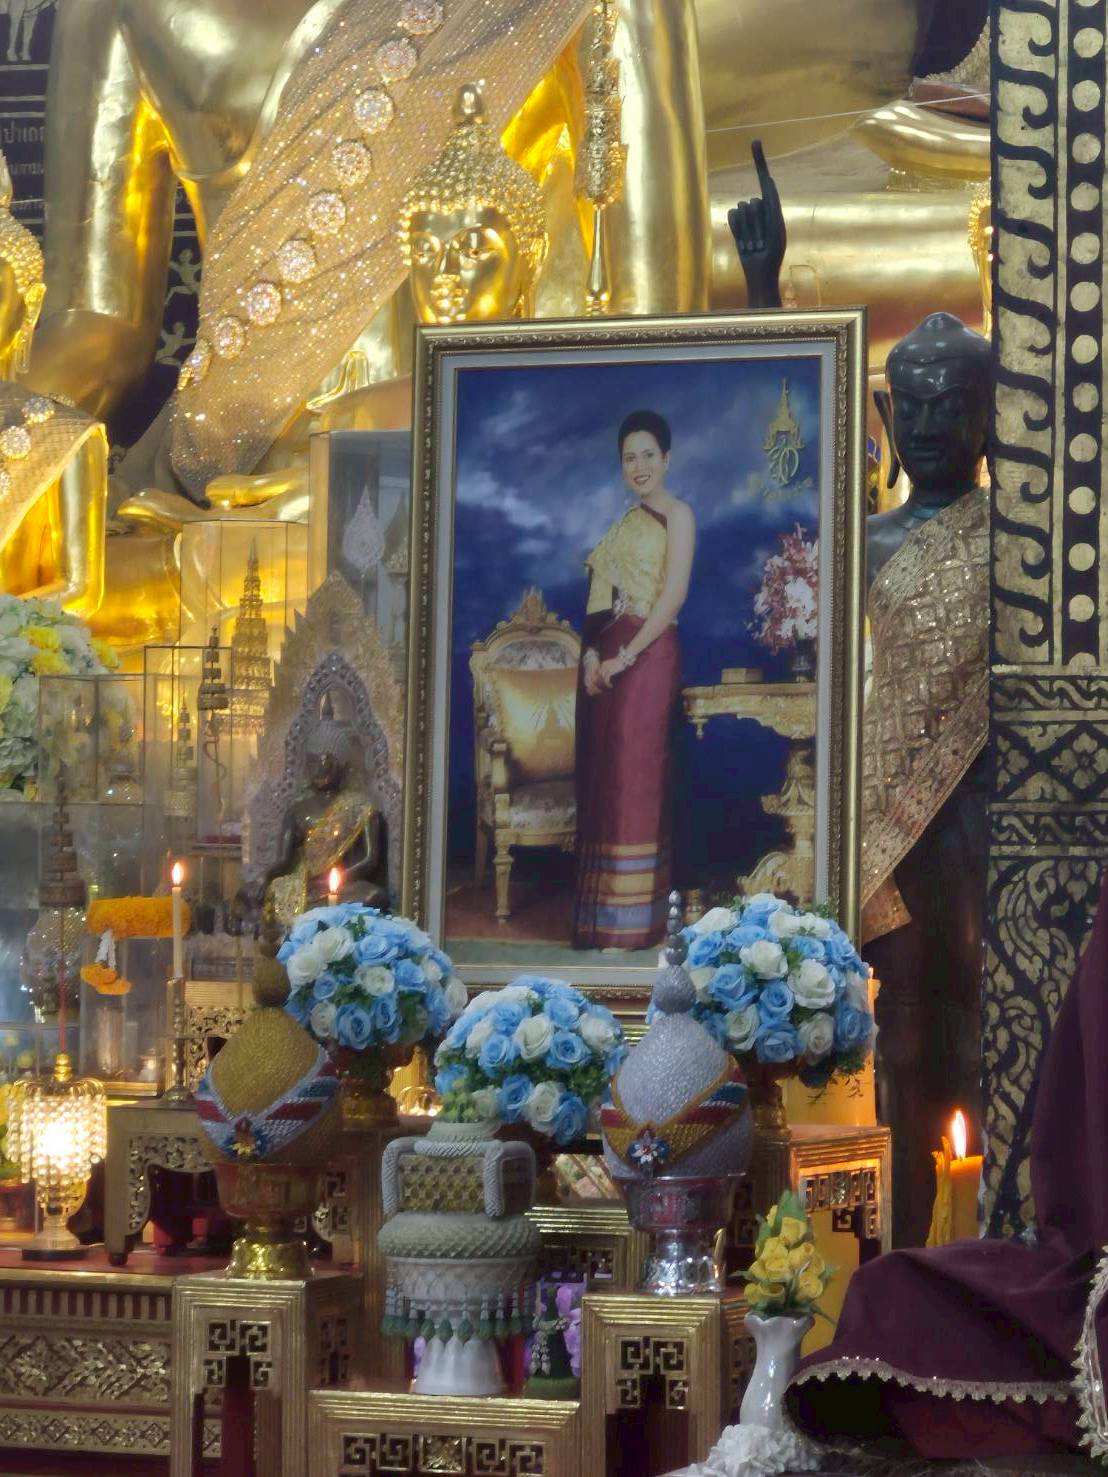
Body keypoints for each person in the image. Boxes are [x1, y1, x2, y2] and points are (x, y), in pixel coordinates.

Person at [572, 409, 695, 952]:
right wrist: (591, 658)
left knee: (639, 776)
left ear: (667, 458)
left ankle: (637, 923)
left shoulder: (679, 516)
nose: (639, 466)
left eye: (648, 455)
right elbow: (600, 600)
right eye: (629, 458)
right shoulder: (623, 523)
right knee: (610, 775)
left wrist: (626, 657)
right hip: (609, 662)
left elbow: (673, 597)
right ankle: (605, 920)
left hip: (650, 655)